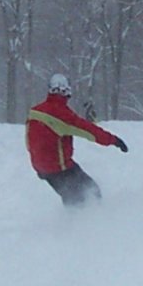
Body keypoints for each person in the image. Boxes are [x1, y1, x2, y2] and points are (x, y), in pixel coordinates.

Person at [25, 73, 127, 207]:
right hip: (59, 168)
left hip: (41, 167)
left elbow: (28, 139)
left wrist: (39, 161)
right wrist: (113, 140)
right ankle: (87, 225)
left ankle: (72, 222)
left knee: (71, 197)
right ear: (66, 91)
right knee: (91, 193)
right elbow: (88, 131)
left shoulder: (35, 111)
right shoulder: (61, 114)